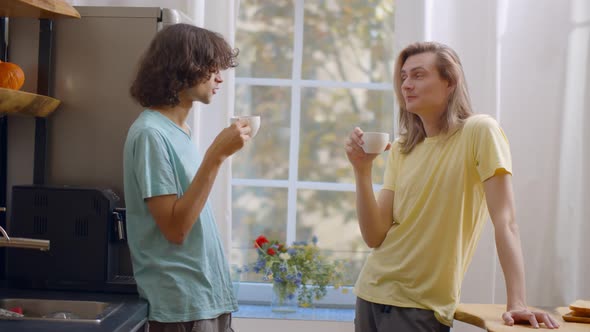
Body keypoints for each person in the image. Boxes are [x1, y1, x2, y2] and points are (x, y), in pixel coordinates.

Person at [344, 41, 560, 332]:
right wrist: (362, 170)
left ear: (450, 81)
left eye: (419, 75)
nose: (407, 84)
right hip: (370, 293)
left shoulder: (480, 131)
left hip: (421, 305)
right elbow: (374, 235)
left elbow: (506, 222)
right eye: (404, 77)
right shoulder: (402, 148)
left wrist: (517, 302)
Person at [124, 23, 248, 332]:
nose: (219, 77)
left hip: (204, 301)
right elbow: (175, 228)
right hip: (180, 307)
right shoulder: (151, 134)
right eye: (211, 68)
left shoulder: (179, 132)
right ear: (182, 69)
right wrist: (215, 156)